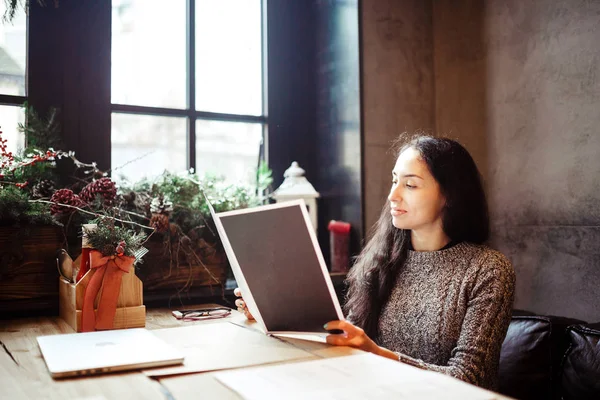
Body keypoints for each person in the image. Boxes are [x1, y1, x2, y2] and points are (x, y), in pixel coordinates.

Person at [235, 134, 515, 391]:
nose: (393, 195)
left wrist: (376, 353)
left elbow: (471, 379)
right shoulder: (384, 259)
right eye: (394, 181)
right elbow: (348, 337)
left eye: (410, 184)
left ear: (449, 196)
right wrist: (272, 311)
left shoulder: (487, 269)